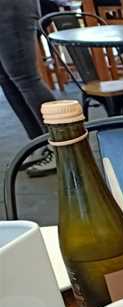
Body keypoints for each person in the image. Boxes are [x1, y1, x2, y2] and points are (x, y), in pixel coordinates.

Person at [0, 0, 58, 177]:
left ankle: (61, 147)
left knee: (26, 78)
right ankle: (38, 144)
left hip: (11, 6)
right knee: (6, 79)